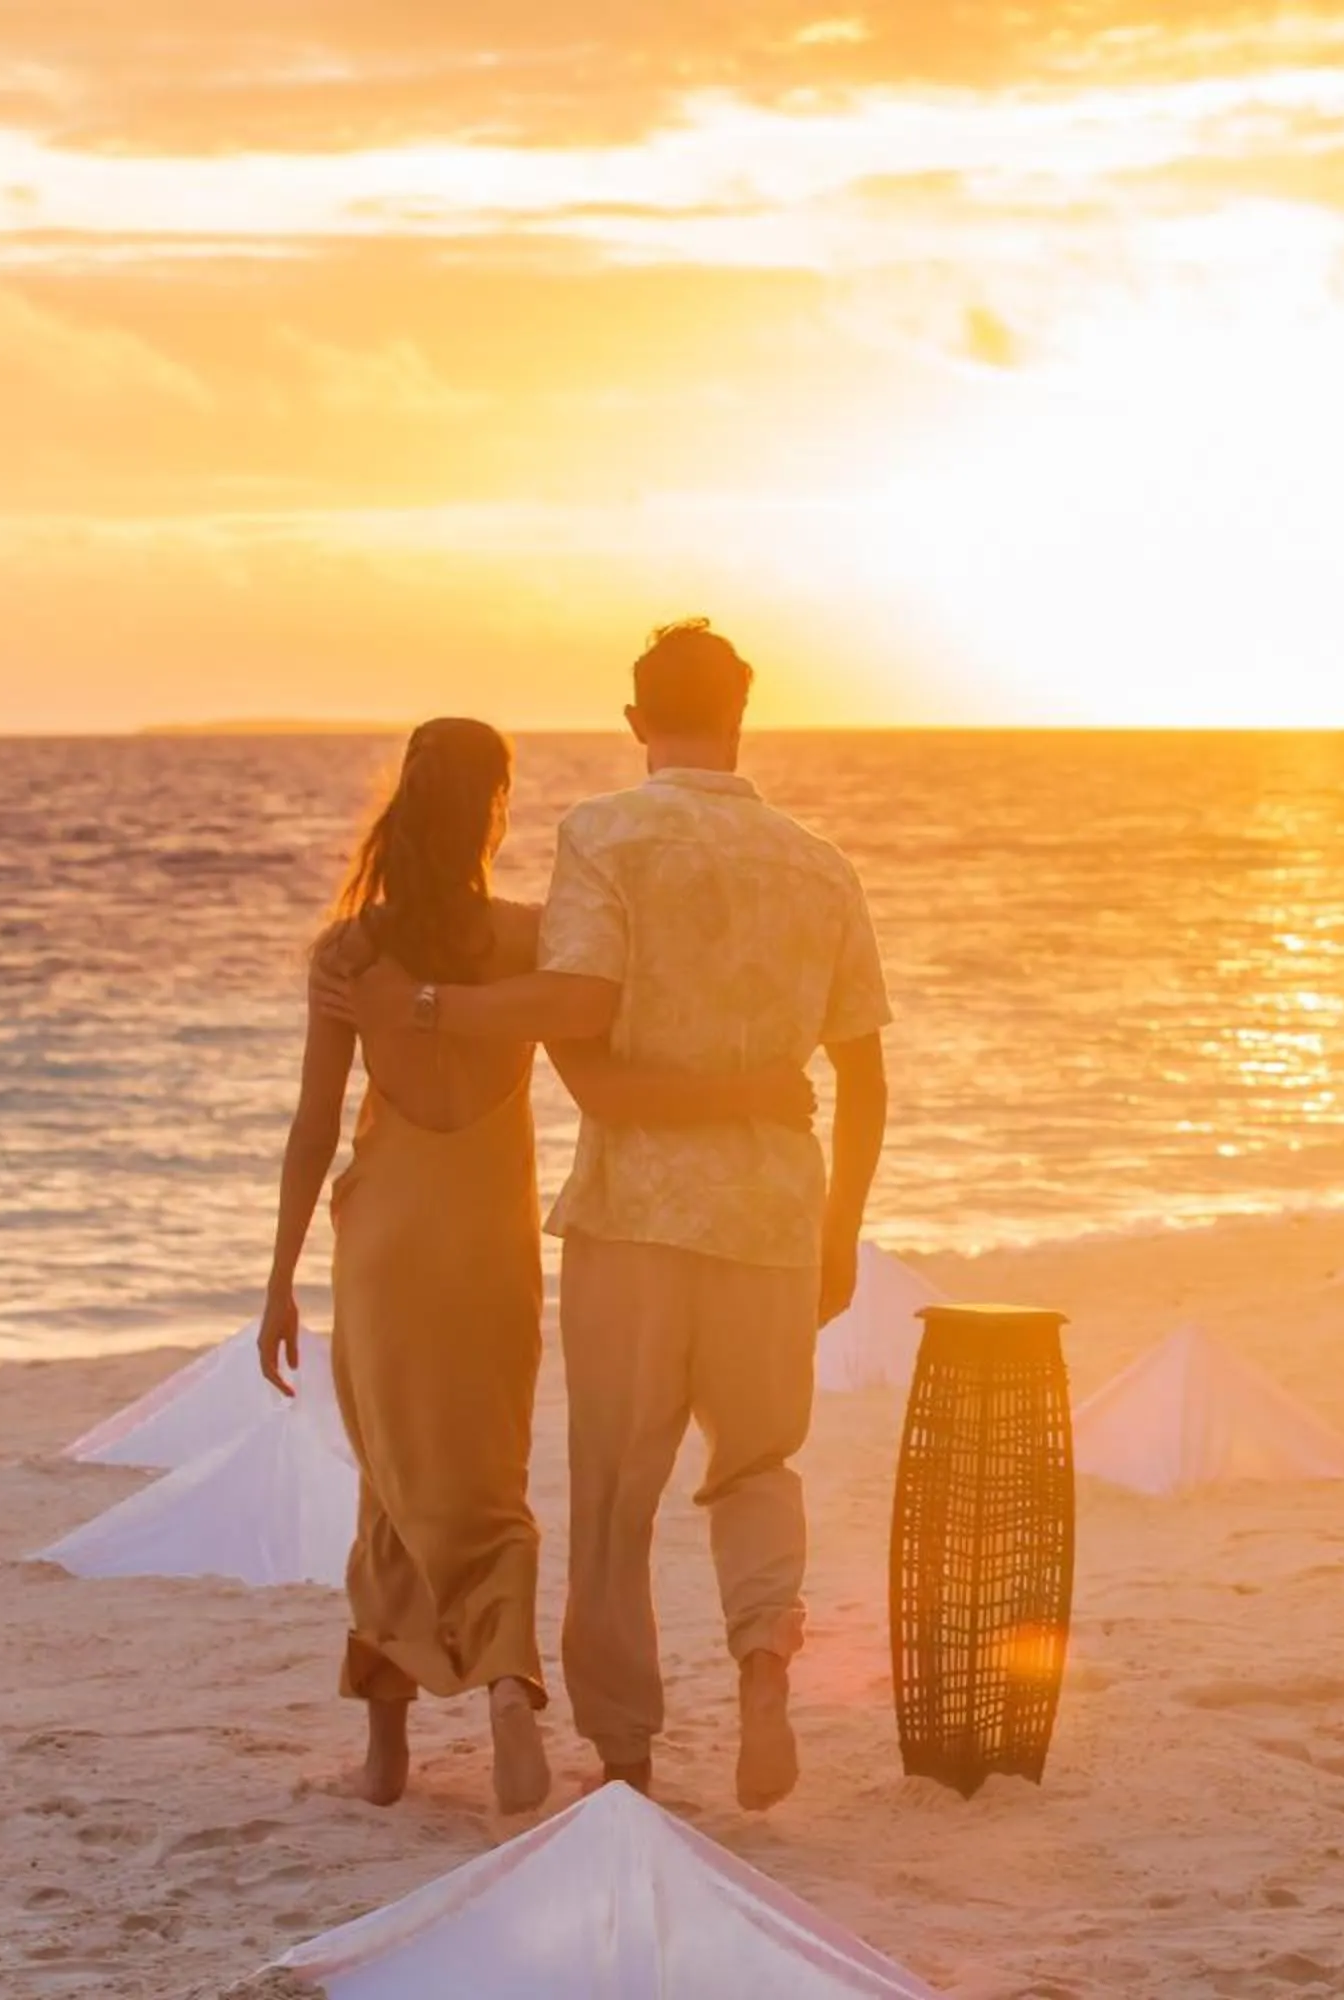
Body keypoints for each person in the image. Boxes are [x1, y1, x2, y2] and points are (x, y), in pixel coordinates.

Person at [320, 622, 890, 1812]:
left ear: (637, 720)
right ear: (745, 709)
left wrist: (416, 1006)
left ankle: (626, 1753)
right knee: (757, 1461)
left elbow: (578, 1015)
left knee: (615, 1498)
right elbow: (865, 1078)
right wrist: (840, 1230)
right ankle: (760, 1660)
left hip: (635, 1212)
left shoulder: (604, 835)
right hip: (776, 1213)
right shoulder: (819, 863)